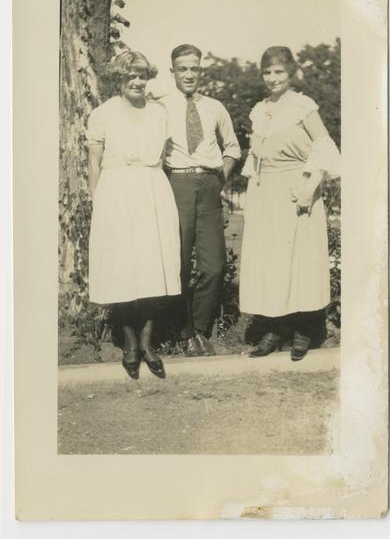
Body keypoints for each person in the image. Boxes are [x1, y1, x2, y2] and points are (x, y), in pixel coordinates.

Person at [240, 46, 340, 361]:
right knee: (270, 263)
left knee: (300, 261)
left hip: (296, 191)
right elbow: (256, 157)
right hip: (265, 193)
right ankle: (274, 329)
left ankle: (304, 331)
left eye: (279, 72)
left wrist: (311, 187)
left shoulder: (302, 106)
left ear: (291, 73)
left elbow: (325, 147)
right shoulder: (259, 110)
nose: (273, 78)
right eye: (267, 72)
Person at [86, 50, 181, 379]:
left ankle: (147, 342)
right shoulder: (102, 114)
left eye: (142, 76)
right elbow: (94, 164)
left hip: (153, 192)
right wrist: (100, 202)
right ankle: (128, 342)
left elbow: (167, 158)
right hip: (116, 193)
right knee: (122, 269)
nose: (138, 82)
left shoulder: (159, 113)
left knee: (154, 266)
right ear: (119, 79)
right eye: (131, 76)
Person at [160, 44, 241, 356]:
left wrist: (221, 176)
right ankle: (184, 333)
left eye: (194, 68)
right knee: (176, 262)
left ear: (201, 71)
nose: (189, 74)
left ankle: (201, 329)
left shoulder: (215, 107)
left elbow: (232, 147)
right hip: (176, 184)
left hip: (209, 185)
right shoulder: (161, 106)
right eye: (183, 69)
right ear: (173, 72)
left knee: (214, 264)